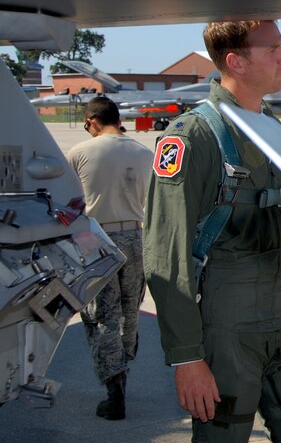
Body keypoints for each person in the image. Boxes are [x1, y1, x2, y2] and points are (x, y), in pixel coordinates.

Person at [144, 20, 281, 442]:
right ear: (236, 62)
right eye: (273, 50)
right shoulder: (192, 139)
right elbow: (165, 254)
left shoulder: (274, 130)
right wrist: (186, 358)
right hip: (228, 334)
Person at [67, 96, 152, 420]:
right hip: (134, 235)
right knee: (131, 310)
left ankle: (113, 386)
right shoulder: (144, 153)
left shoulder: (79, 153)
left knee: (102, 315)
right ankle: (123, 369)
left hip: (94, 237)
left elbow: (66, 202)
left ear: (91, 121)